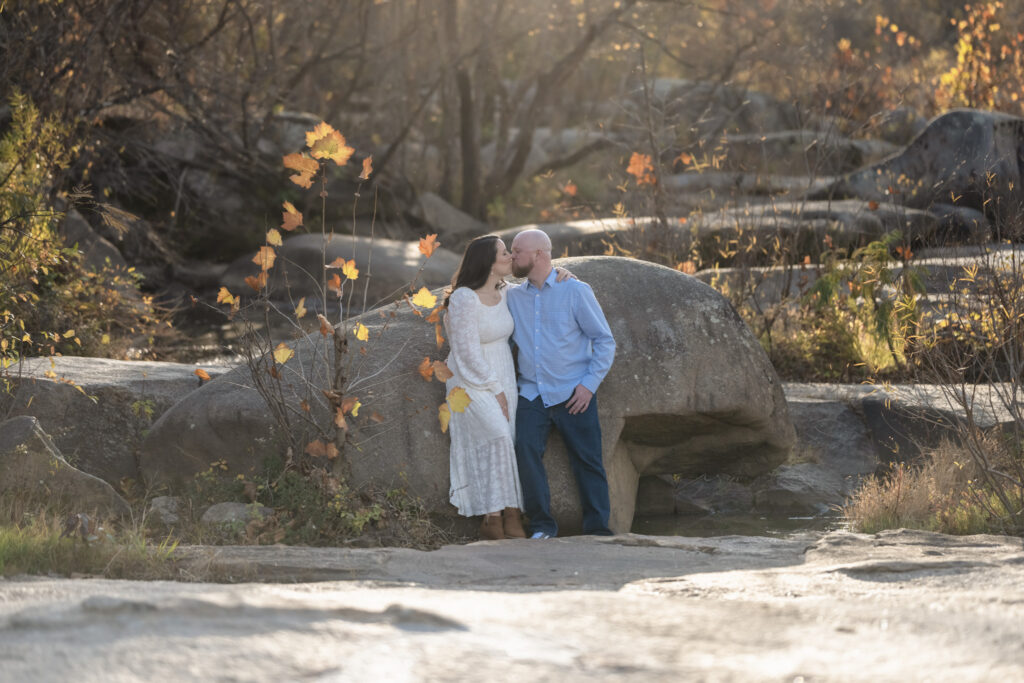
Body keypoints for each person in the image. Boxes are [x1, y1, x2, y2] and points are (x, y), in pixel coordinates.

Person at [442, 234, 574, 541]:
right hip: (469, 381)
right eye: (504, 253)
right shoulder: (464, 298)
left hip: (503, 373)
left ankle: (512, 514)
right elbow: (465, 351)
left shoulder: (507, 292)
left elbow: (541, 287)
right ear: (487, 262)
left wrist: (564, 275)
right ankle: (491, 517)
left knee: (510, 439)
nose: (511, 257)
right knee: (498, 436)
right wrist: (495, 389)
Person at [508, 228, 616, 538]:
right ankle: (542, 526)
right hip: (531, 393)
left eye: (518, 250)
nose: (513, 255)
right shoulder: (512, 296)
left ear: (539, 254)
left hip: (574, 392)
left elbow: (604, 341)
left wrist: (589, 385)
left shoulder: (576, 291)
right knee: (525, 451)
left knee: (588, 460)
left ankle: (596, 529)